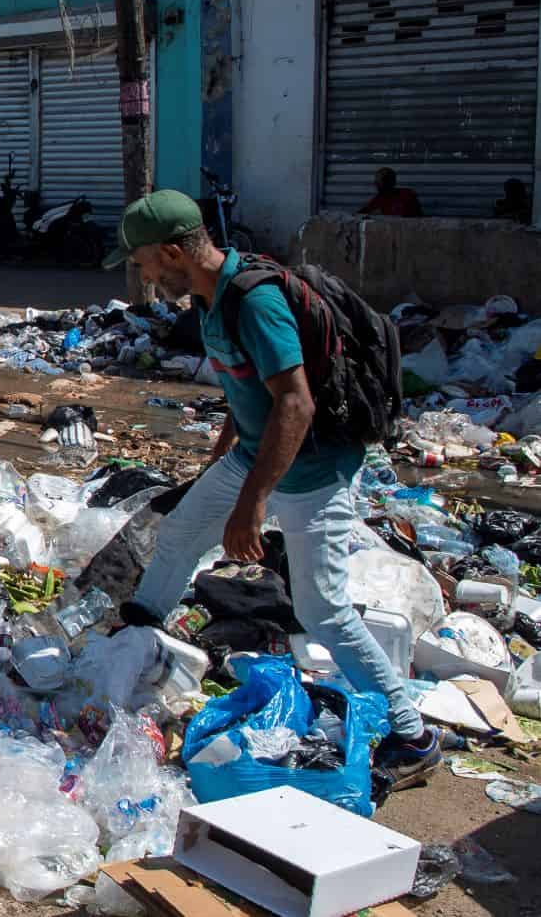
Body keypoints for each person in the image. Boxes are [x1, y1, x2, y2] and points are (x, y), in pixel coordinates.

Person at [105, 190, 441, 788]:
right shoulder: (210, 300)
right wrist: (222, 463)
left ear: (175, 251)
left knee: (322, 611)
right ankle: (139, 638)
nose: (145, 276)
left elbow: (295, 402)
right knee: (181, 530)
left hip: (312, 472)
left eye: (145, 263)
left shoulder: (255, 302)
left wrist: (252, 504)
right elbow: (248, 386)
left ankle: (411, 733)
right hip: (254, 456)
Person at [357, 167, 423, 217]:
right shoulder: (379, 198)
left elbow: (415, 217)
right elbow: (361, 214)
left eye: (378, 182)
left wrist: (383, 213)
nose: (376, 185)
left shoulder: (407, 195)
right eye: (376, 182)